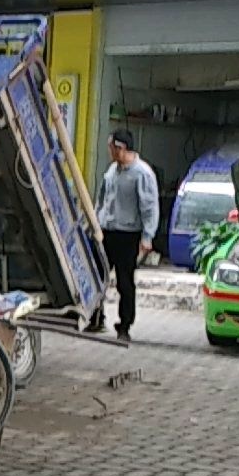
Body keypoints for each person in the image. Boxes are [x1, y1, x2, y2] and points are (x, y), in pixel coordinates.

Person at [88, 130, 159, 344]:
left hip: (128, 235)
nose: (110, 151)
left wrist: (147, 238)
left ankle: (125, 324)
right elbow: (101, 199)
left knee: (124, 281)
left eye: (112, 148)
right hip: (107, 231)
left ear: (122, 148)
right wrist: (95, 222)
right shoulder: (112, 170)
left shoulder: (142, 174)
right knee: (98, 275)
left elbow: (149, 208)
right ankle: (95, 316)